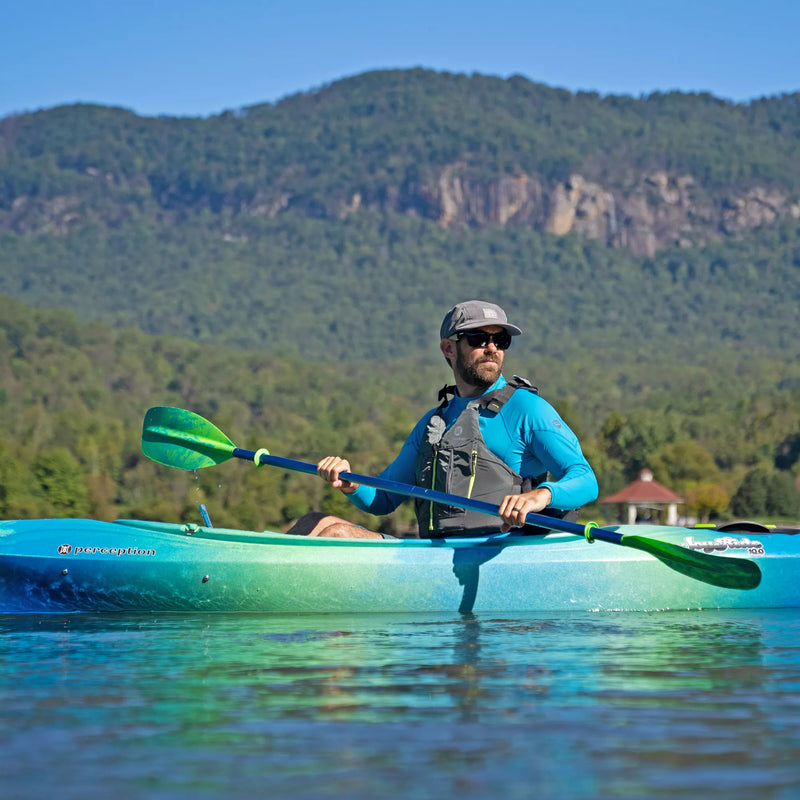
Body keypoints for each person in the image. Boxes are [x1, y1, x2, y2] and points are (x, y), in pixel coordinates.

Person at [287, 300, 598, 539]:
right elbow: (382, 498)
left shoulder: (528, 410)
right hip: (432, 558)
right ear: (449, 348)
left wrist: (541, 496)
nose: (491, 348)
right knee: (314, 522)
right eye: (478, 338)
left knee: (337, 536)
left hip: (498, 555)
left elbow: (585, 479)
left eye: (500, 340)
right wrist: (350, 483)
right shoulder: (433, 423)